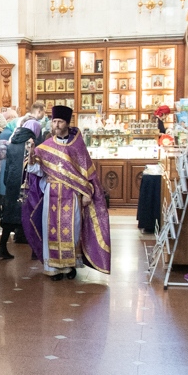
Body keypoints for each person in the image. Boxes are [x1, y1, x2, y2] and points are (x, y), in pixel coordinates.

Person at [23, 105, 111, 280]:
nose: (56, 125)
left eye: (60, 122)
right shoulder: (45, 146)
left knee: (73, 229)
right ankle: (53, 267)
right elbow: (36, 171)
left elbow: (87, 174)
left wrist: (87, 193)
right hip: (51, 194)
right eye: (54, 121)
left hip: (72, 195)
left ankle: (69, 266)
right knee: (50, 230)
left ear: (67, 123)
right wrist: (32, 157)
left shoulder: (77, 146)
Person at [0, 119, 41, 259]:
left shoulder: (12, 143)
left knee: (9, 217)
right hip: (27, 186)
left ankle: (2, 247)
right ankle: (35, 252)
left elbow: (7, 167)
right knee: (31, 217)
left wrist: (8, 184)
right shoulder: (31, 144)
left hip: (12, 185)